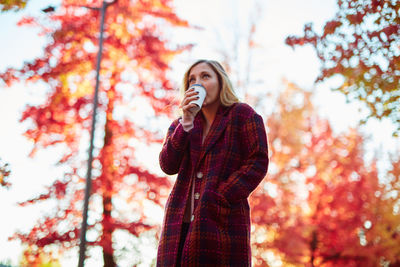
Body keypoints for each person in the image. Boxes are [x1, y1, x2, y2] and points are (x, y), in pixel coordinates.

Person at [156, 59, 269, 267]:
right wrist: (186, 123)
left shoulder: (243, 115)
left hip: (223, 224)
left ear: (221, 82)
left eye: (205, 76)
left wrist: (220, 197)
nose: (197, 83)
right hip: (177, 227)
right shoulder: (180, 125)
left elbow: (258, 162)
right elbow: (167, 165)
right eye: (192, 80)